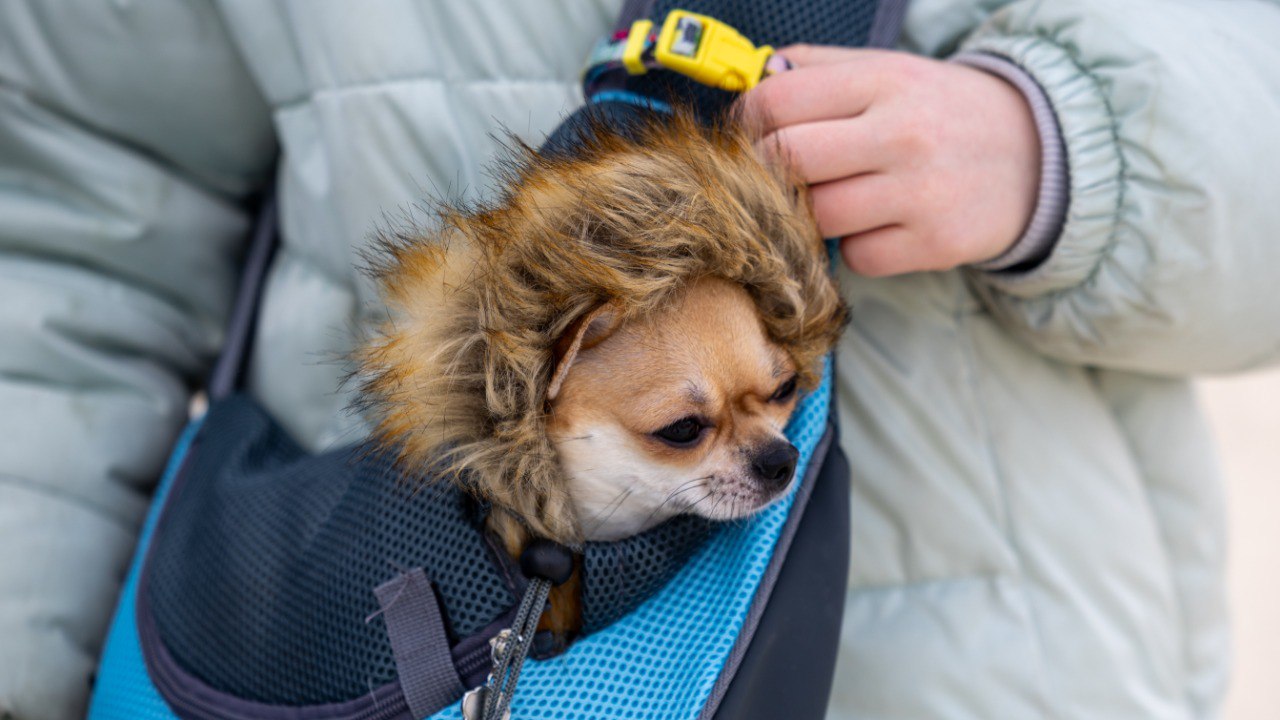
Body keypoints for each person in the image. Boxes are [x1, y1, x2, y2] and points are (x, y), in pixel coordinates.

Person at [1, 0, 1278, 718]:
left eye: (770, 397)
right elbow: (65, 232)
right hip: (411, 655)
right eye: (690, 430)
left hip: (998, 673)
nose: (755, 450)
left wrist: (1065, 150)